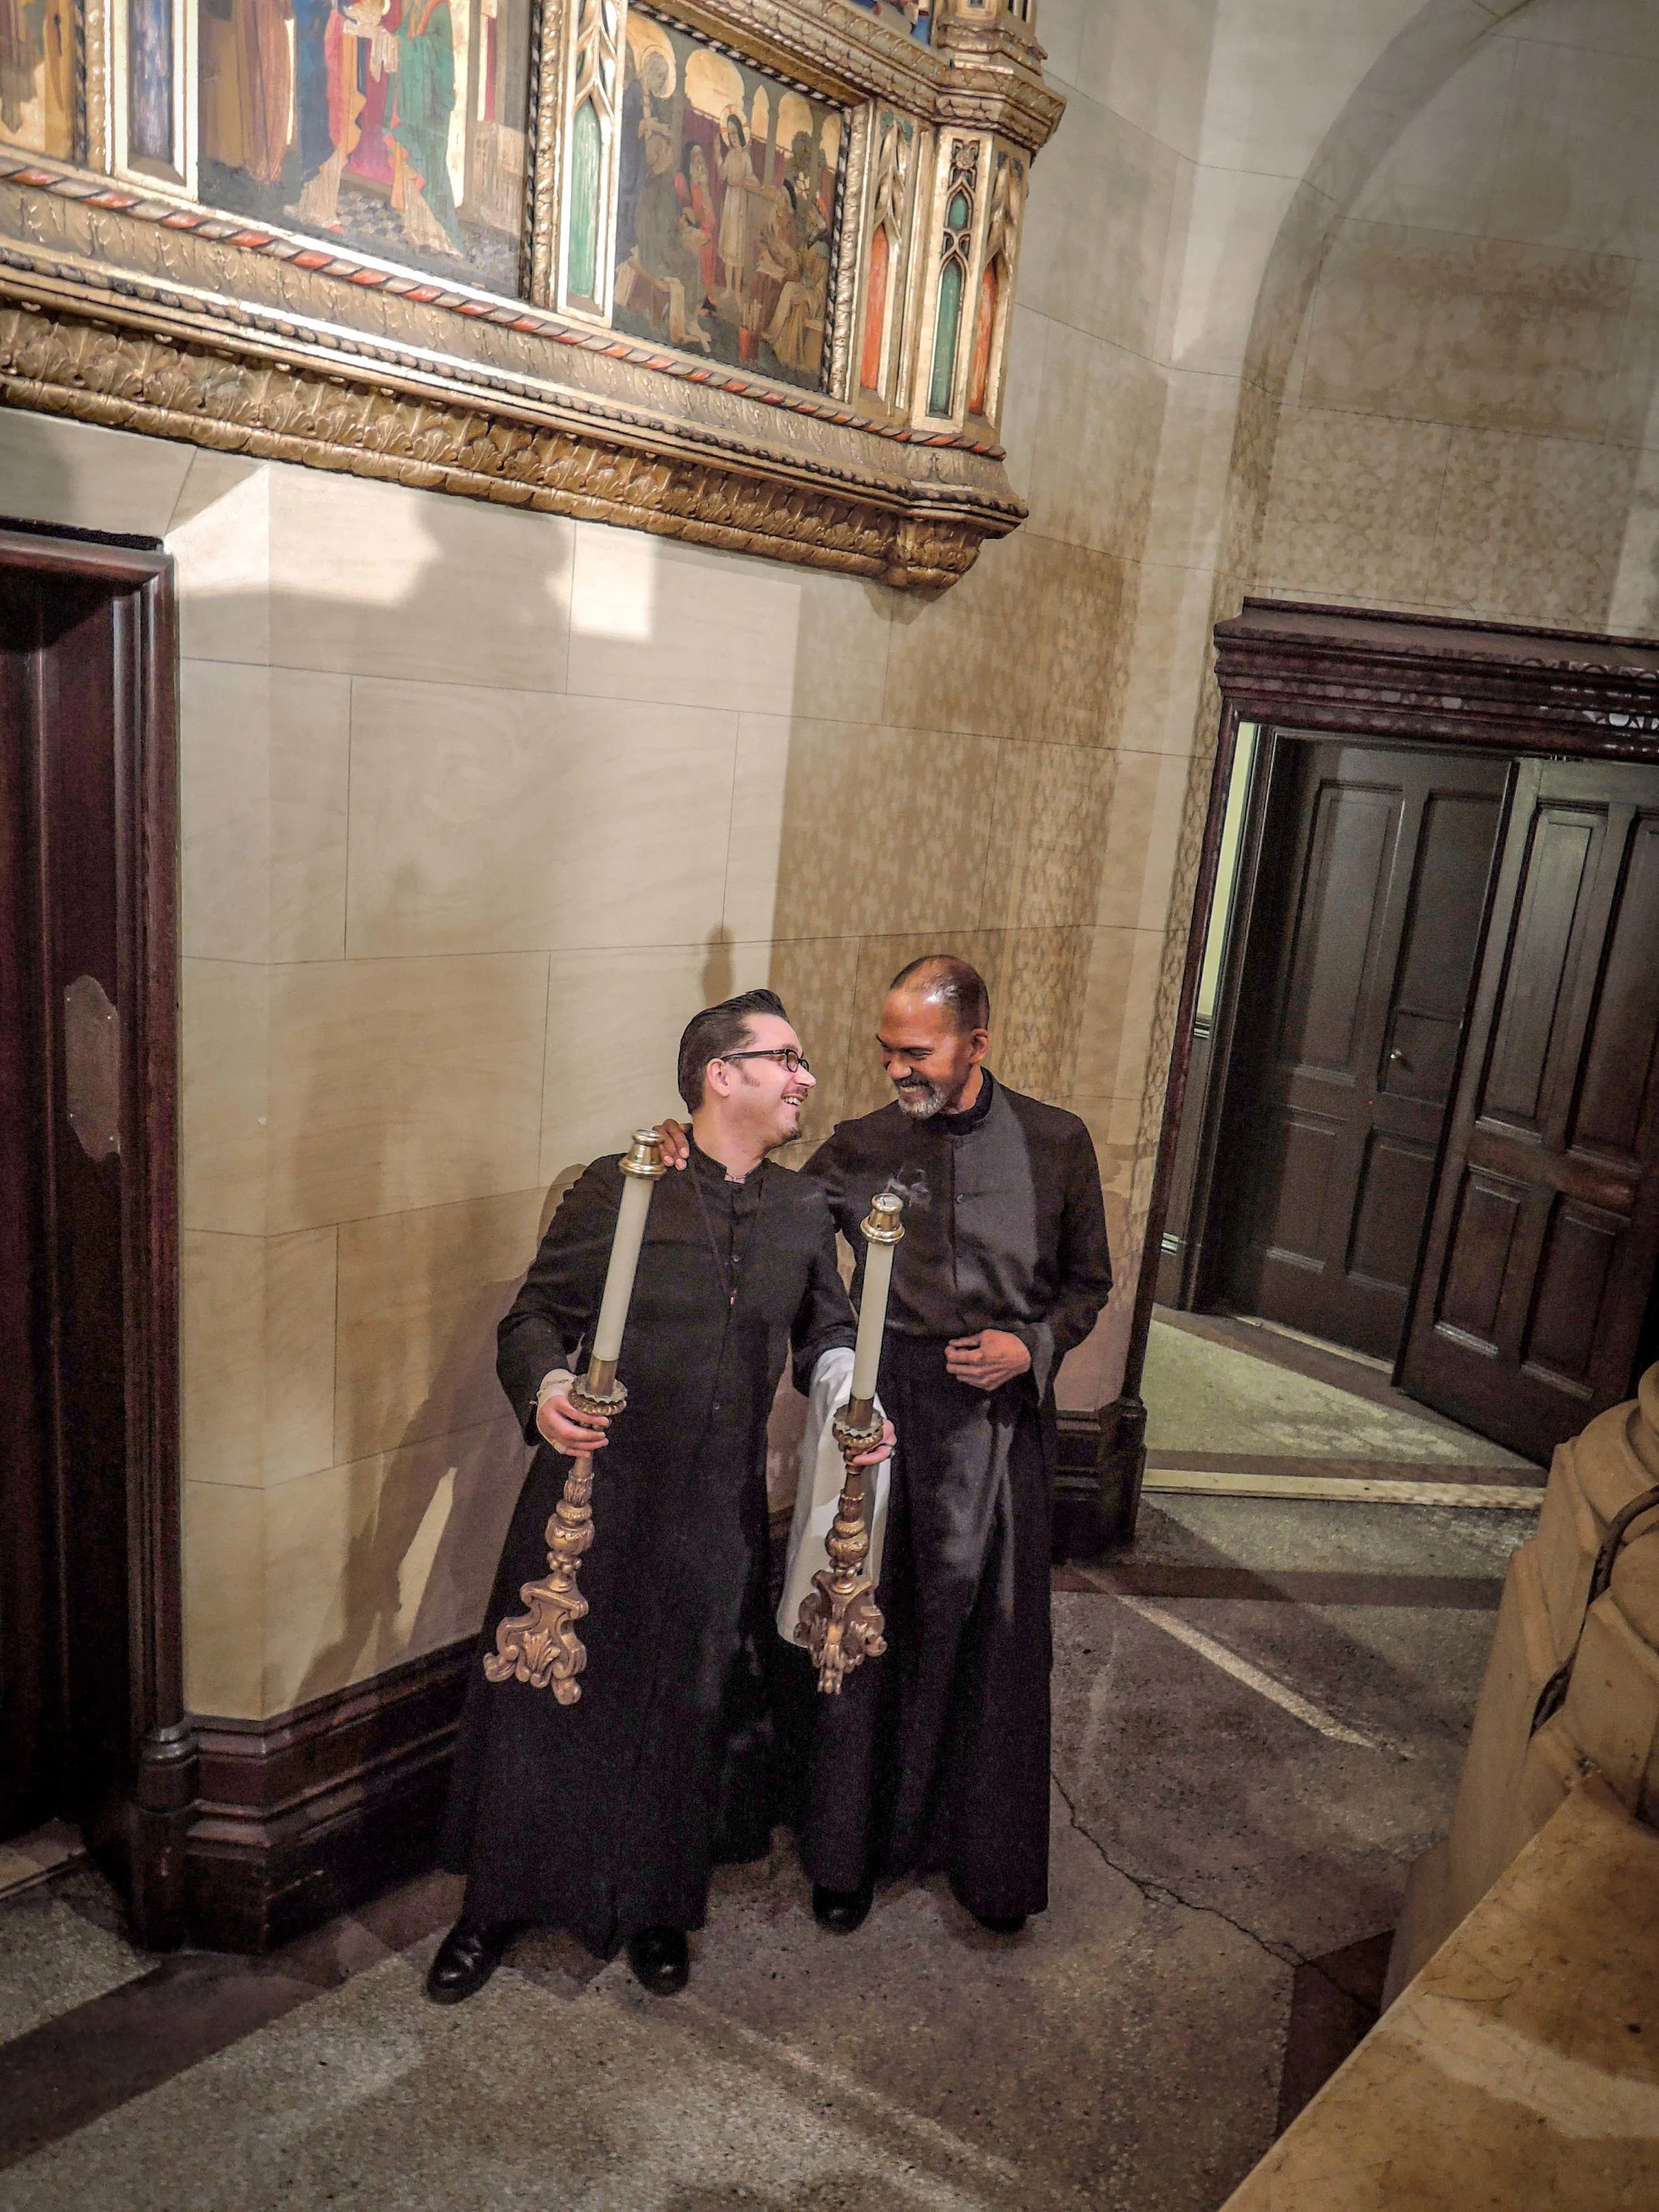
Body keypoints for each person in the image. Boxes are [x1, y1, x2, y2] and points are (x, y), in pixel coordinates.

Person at [431, 990, 891, 2003]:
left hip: (714, 1505)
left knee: (685, 1707)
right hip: (592, 1490)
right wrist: (548, 1390)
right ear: (720, 1075)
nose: (804, 1077)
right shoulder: (621, 1186)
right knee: (543, 1692)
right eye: (785, 1059)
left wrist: (852, 1400)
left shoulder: (804, 1212)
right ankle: (494, 1907)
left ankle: (654, 1903)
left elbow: (829, 1336)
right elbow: (535, 1318)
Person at [658, 954, 1112, 1936]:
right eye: (886, 1047)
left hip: (994, 1429)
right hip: (883, 1413)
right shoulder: (858, 1148)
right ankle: (845, 1856)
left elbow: (1089, 1285)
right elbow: (772, 1214)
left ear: (977, 1044)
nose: (896, 1067)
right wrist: (688, 1161)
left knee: (987, 1642)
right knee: (860, 1629)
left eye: (919, 1051)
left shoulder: (1056, 1142)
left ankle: (980, 1862)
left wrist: (1028, 1347)